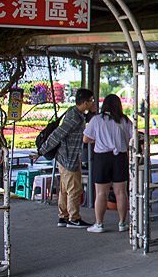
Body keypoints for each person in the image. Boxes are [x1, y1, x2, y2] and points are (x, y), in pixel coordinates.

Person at [42, 87, 95, 228]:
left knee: (65, 189)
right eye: (91, 101)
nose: (92, 103)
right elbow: (59, 133)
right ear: (85, 102)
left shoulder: (75, 113)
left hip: (66, 157)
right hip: (68, 158)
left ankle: (63, 216)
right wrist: (42, 150)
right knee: (75, 189)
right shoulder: (75, 117)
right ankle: (74, 218)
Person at [82, 94, 134, 233]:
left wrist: (99, 139)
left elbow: (86, 139)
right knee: (121, 193)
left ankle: (99, 224)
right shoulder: (125, 120)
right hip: (120, 158)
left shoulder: (97, 120)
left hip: (102, 158)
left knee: (101, 194)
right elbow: (132, 139)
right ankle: (122, 223)